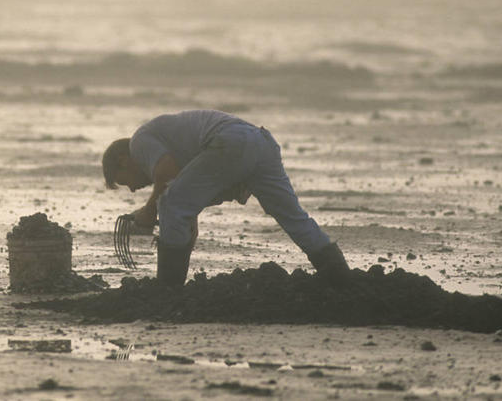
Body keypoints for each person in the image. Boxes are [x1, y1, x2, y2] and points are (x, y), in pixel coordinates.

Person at [102, 109, 350, 287]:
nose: (133, 190)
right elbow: (190, 184)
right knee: (293, 218)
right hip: (262, 143)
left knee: (169, 203)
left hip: (230, 142)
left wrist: (149, 211)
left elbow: (166, 172)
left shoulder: (138, 142)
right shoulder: (168, 139)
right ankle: (341, 278)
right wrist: (187, 219)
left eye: (125, 182)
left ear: (123, 161)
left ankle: (168, 290)